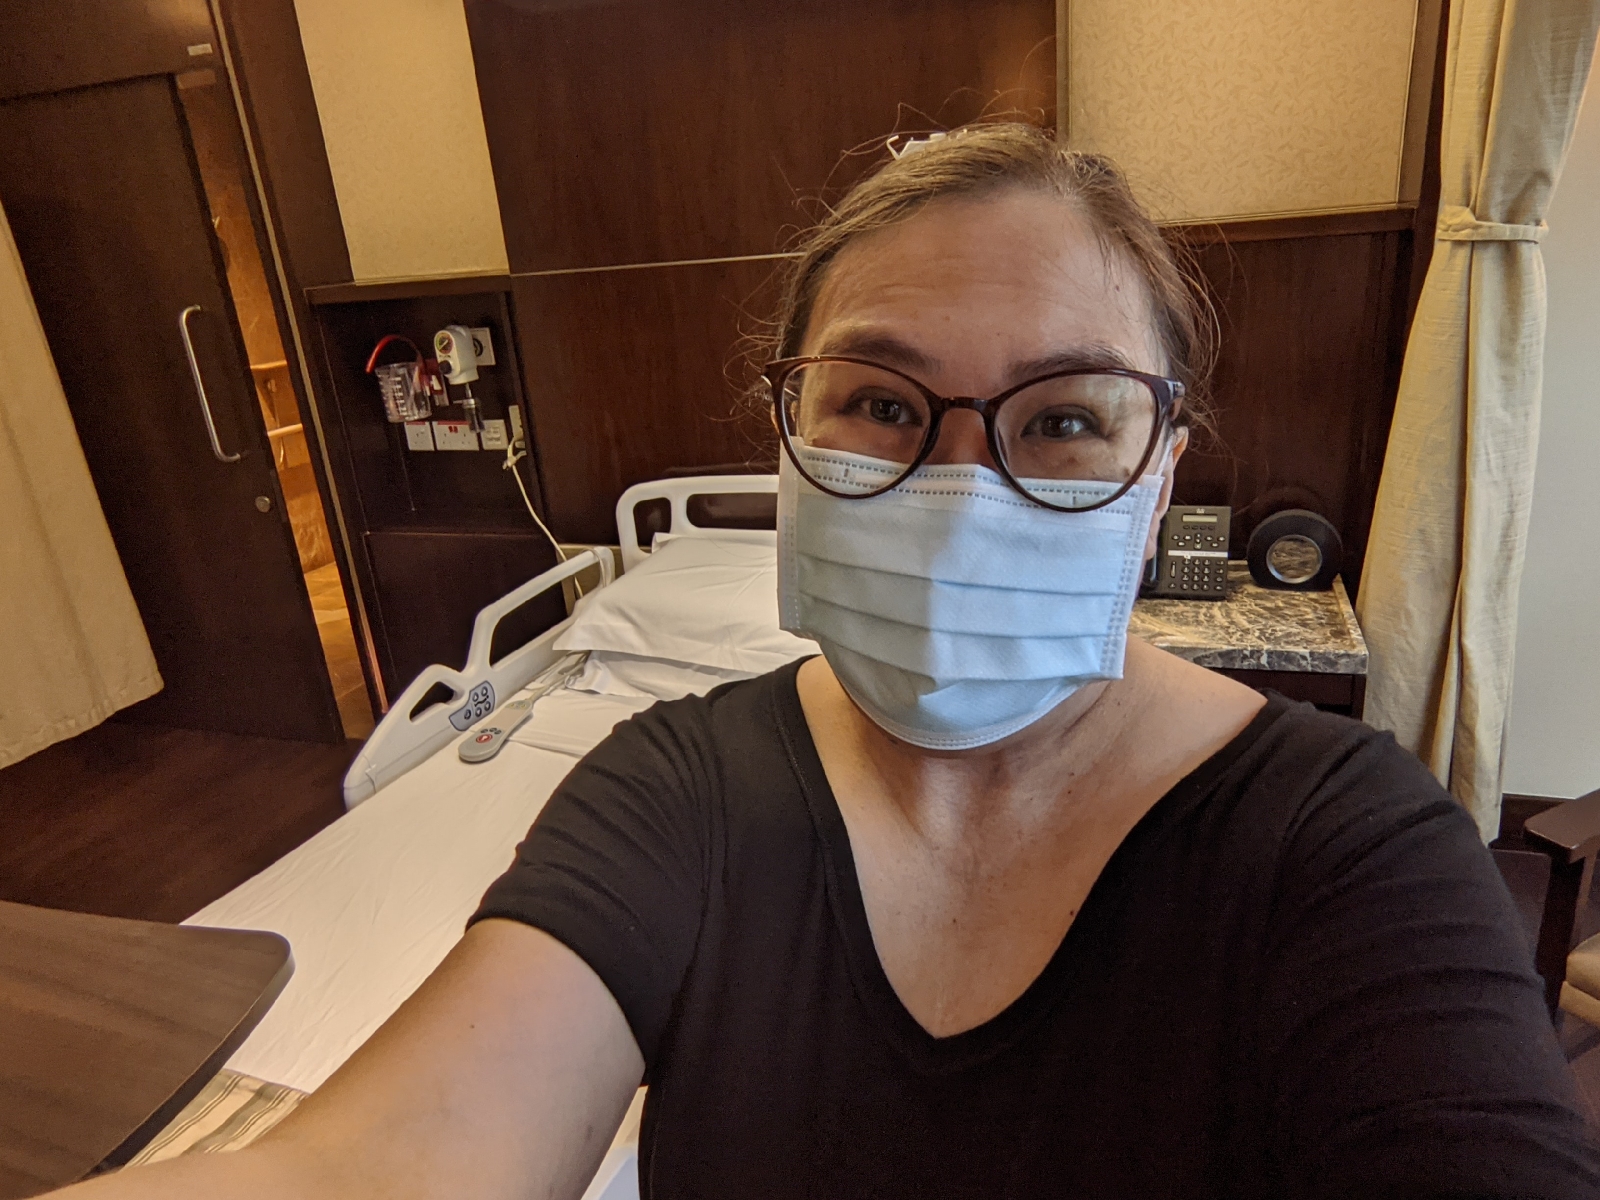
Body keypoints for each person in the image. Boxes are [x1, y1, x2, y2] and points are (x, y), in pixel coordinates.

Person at [58, 122, 1597, 1199]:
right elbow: (372, 1168)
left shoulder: (1347, 847)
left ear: (1158, 484)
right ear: (785, 440)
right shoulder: (679, 790)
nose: (963, 488)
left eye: (1065, 419)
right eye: (880, 403)